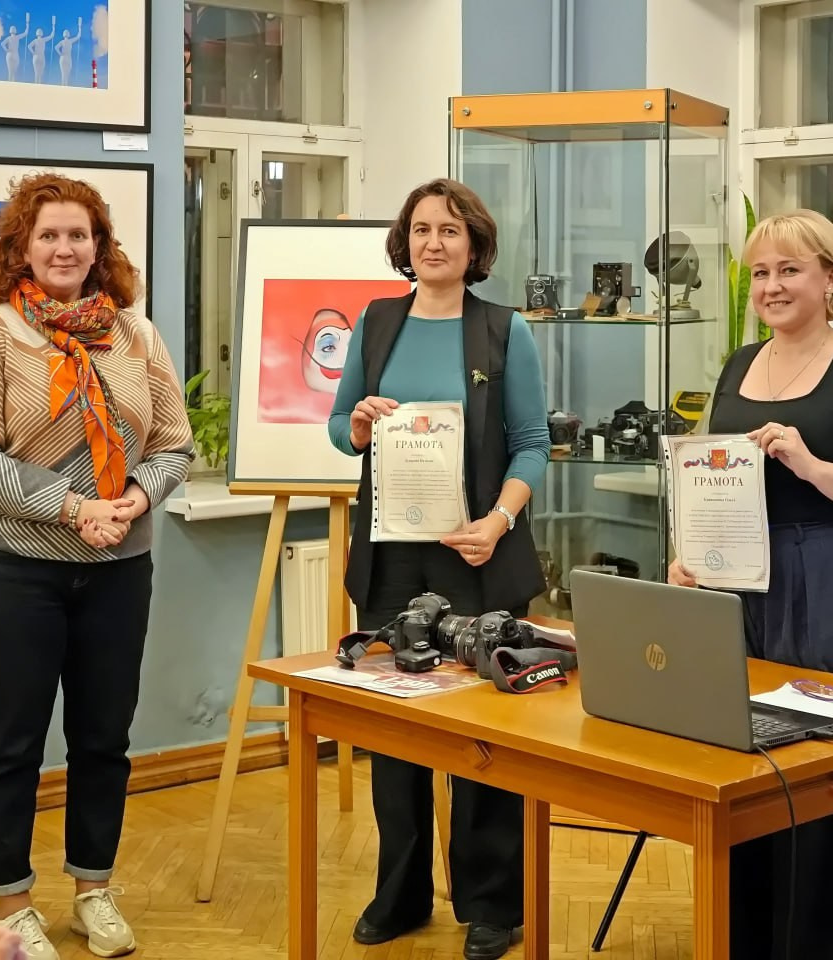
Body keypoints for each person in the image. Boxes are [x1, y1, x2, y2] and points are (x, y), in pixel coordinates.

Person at [0, 172, 195, 960]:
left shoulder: (135, 336)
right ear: (21, 245)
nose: (63, 248)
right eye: (48, 234)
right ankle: (13, 907)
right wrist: (73, 506)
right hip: (13, 571)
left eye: (78, 235)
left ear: (99, 247)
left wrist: (132, 503)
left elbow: (174, 444)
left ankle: (93, 890)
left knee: (103, 739)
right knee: (11, 740)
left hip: (120, 567)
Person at [669, 209, 833, 960]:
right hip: (737, 588)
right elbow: (715, 475)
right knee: (743, 765)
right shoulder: (737, 365)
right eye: (760, 273)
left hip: (830, 580)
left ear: (830, 279)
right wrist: (692, 554)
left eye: (789, 270)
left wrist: (813, 466)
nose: (772, 286)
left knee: (828, 772)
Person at [327, 178, 550, 960]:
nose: (433, 243)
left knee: (484, 738)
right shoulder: (377, 322)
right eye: (421, 229)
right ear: (405, 242)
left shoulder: (503, 329)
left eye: (450, 231)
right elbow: (339, 427)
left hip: (478, 554)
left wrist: (498, 520)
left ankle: (493, 903)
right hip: (391, 557)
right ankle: (400, 896)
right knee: (397, 736)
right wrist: (355, 424)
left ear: (474, 245)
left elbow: (531, 443)